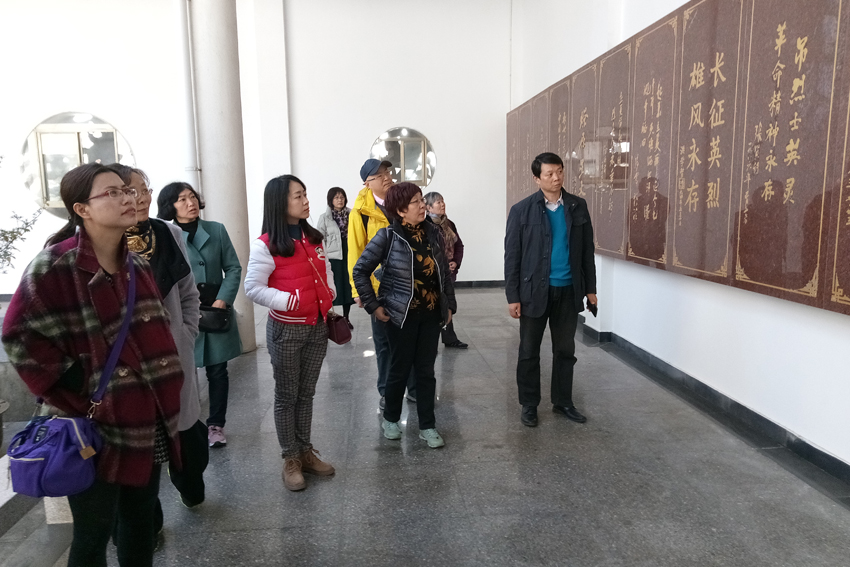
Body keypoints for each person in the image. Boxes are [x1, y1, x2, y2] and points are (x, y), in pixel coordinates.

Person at [2, 163, 184, 567]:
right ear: (82, 209)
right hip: (92, 423)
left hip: (146, 415)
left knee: (140, 522)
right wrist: (74, 383)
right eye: (113, 193)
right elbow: (18, 334)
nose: (128, 199)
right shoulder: (55, 266)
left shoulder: (137, 264)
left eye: (128, 191)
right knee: (92, 533)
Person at [109, 165, 207, 539]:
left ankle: (188, 487)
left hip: (172, 356)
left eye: (144, 189)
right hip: (126, 370)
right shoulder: (101, 243)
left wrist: (185, 334)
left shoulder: (167, 233)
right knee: (143, 454)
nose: (141, 198)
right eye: (131, 191)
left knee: (187, 441)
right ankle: (149, 525)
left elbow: (188, 294)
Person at [244, 174, 336, 491]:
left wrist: (331, 294)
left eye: (305, 194)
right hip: (286, 330)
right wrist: (287, 300)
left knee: (306, 393)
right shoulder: (266, 244)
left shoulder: (313, 237)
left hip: (317, 326)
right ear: (280, 203)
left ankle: (306, 451)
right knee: (287, 396)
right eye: (298, 196)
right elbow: (252, 288)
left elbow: (326, 271)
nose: (306, 200)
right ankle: (290, 458)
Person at [352, 182, 457, 449]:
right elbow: (360, 270)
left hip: (431, 313)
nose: (422, 206)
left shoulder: (433, 233)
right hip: (400, 315)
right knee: (399, 369)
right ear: (400, 210)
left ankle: (427, 426)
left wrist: (449, 305)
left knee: (426, 371)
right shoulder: (388, 236)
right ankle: (390, 419)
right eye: (416, 202)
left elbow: (444, 272)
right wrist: (373, 305)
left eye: (422, 200)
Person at [504, 152, 598, 428]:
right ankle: (529, 404)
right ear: (537, 178)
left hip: (568, 290)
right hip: (534, 292)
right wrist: (513, 296)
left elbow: (587, 252)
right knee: (529, 351)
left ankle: (563, 401)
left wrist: (590, 289)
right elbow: (512, 256)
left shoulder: (578, 206)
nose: (556, 178)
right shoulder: (521, 210)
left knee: (565, 350)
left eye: (560, 171)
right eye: (549, 174)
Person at [157, 182, 243, 448]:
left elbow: (233, 267)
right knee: (184, 371)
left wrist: (223, 300)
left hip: (214, 310)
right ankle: (188, 425)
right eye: (182, 199)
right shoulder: (165, 235)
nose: (190, 203)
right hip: (183, 312)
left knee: (218, 371)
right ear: (170, 206)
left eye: (192, 197)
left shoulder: (216, 230)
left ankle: (216, 425)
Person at [348, 159, 415, 409]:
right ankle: (387, 392)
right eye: (379, 175)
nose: (386, 177)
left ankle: (415, 389)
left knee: (412, 340)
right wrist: (358, 291)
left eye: (387, 172)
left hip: (409, 286)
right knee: (385, 344)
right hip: (380, 289)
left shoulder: (402, 201)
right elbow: (356, 252)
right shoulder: (360, 213)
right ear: (367, 183)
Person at [424, 191, 468, 349]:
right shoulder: (425, 225)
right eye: (438, 202)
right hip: (433, 272)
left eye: (442, 201)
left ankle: (449, 338)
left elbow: (459, 245)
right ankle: (428, 340)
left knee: (447, 303)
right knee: (432, 306)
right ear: (429, 207)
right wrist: (441, 264)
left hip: (448, 272)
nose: (442, 204)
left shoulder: (449, 224)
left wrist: (455, 261)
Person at [316, 187, 355, 320]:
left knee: (347, 287)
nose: (340, 200)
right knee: (333, 286)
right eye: (336, 197)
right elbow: (320, 239)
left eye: (342, 197)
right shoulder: (324, 218)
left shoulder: (352, 214)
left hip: (349, 254)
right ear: (331, 200)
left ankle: (346, 318)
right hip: (333, 257)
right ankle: (329, 318)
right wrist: (322, 257)